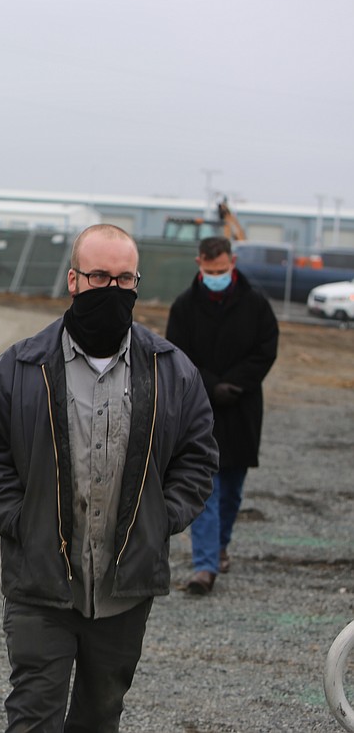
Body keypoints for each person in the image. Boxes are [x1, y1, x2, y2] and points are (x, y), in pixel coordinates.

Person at [0, 224, 218, 732]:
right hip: (42, 582)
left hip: (124, 588)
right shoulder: (19, 368)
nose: (113, 289)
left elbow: (198, 455)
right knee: (34, 713)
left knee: (101, 714)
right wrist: (19, 521)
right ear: (73, 280)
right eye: (100, 276)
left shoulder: (171, 370)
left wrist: (159, 519)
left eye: (125, 279)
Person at [165, 236, 278, 595]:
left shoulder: (255, 304)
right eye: (210, 270)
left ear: (233, 262)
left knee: (231, 490)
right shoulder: (184, 306)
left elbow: (266, 349)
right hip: (201, 407)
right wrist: (213, 386)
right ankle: (205, 567)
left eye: (223, 270)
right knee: (206, 488)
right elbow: (177, 353)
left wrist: (237, 384)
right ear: (199, 263)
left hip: (242, 408)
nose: (217, 275)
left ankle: (220, 545)